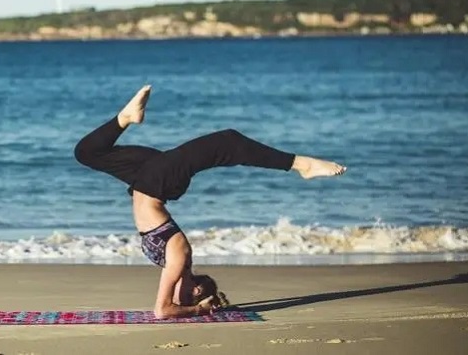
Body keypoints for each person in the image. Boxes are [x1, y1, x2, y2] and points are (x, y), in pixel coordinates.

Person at [74, 85, 346, 319]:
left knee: (86, 153)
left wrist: (198, 310)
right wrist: (201, 308)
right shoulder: (180, 256)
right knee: (227, 141)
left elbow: (162, 310)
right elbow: (167, 308)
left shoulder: (175, 260)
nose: (181, 296)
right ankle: (301, 165)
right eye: (190, 296)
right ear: (196, 289)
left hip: (148, 179)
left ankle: (126, 117)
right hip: (156, 182)